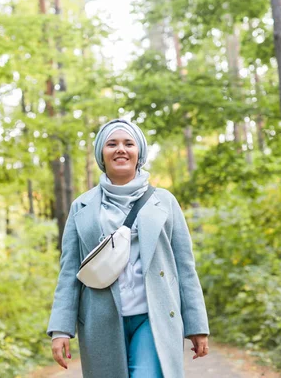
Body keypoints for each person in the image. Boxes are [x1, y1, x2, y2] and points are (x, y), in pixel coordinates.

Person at [47, 118, 210, 378]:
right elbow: (69, 273)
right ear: (102, 153)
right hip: (101, 320)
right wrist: (60, 329)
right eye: (112, 144)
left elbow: (185, 267)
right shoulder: (82, 206)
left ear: (139, 152)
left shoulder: (164, 201)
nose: (120, 149)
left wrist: (197, 324)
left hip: (154, 317)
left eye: (128, 143)